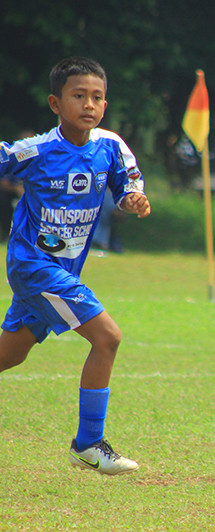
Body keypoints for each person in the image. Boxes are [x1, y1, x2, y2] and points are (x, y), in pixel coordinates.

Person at [0, 56, 151, 474]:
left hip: (63, 271)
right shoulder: (38, 150)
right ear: (56, 103)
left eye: (97, 97)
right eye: (78, 95)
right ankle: (88, 444)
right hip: (33, 266)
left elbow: (127, 184)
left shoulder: (110, 147)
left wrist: (133, 199)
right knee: (107, 338)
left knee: (10, 355)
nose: (89, 104)